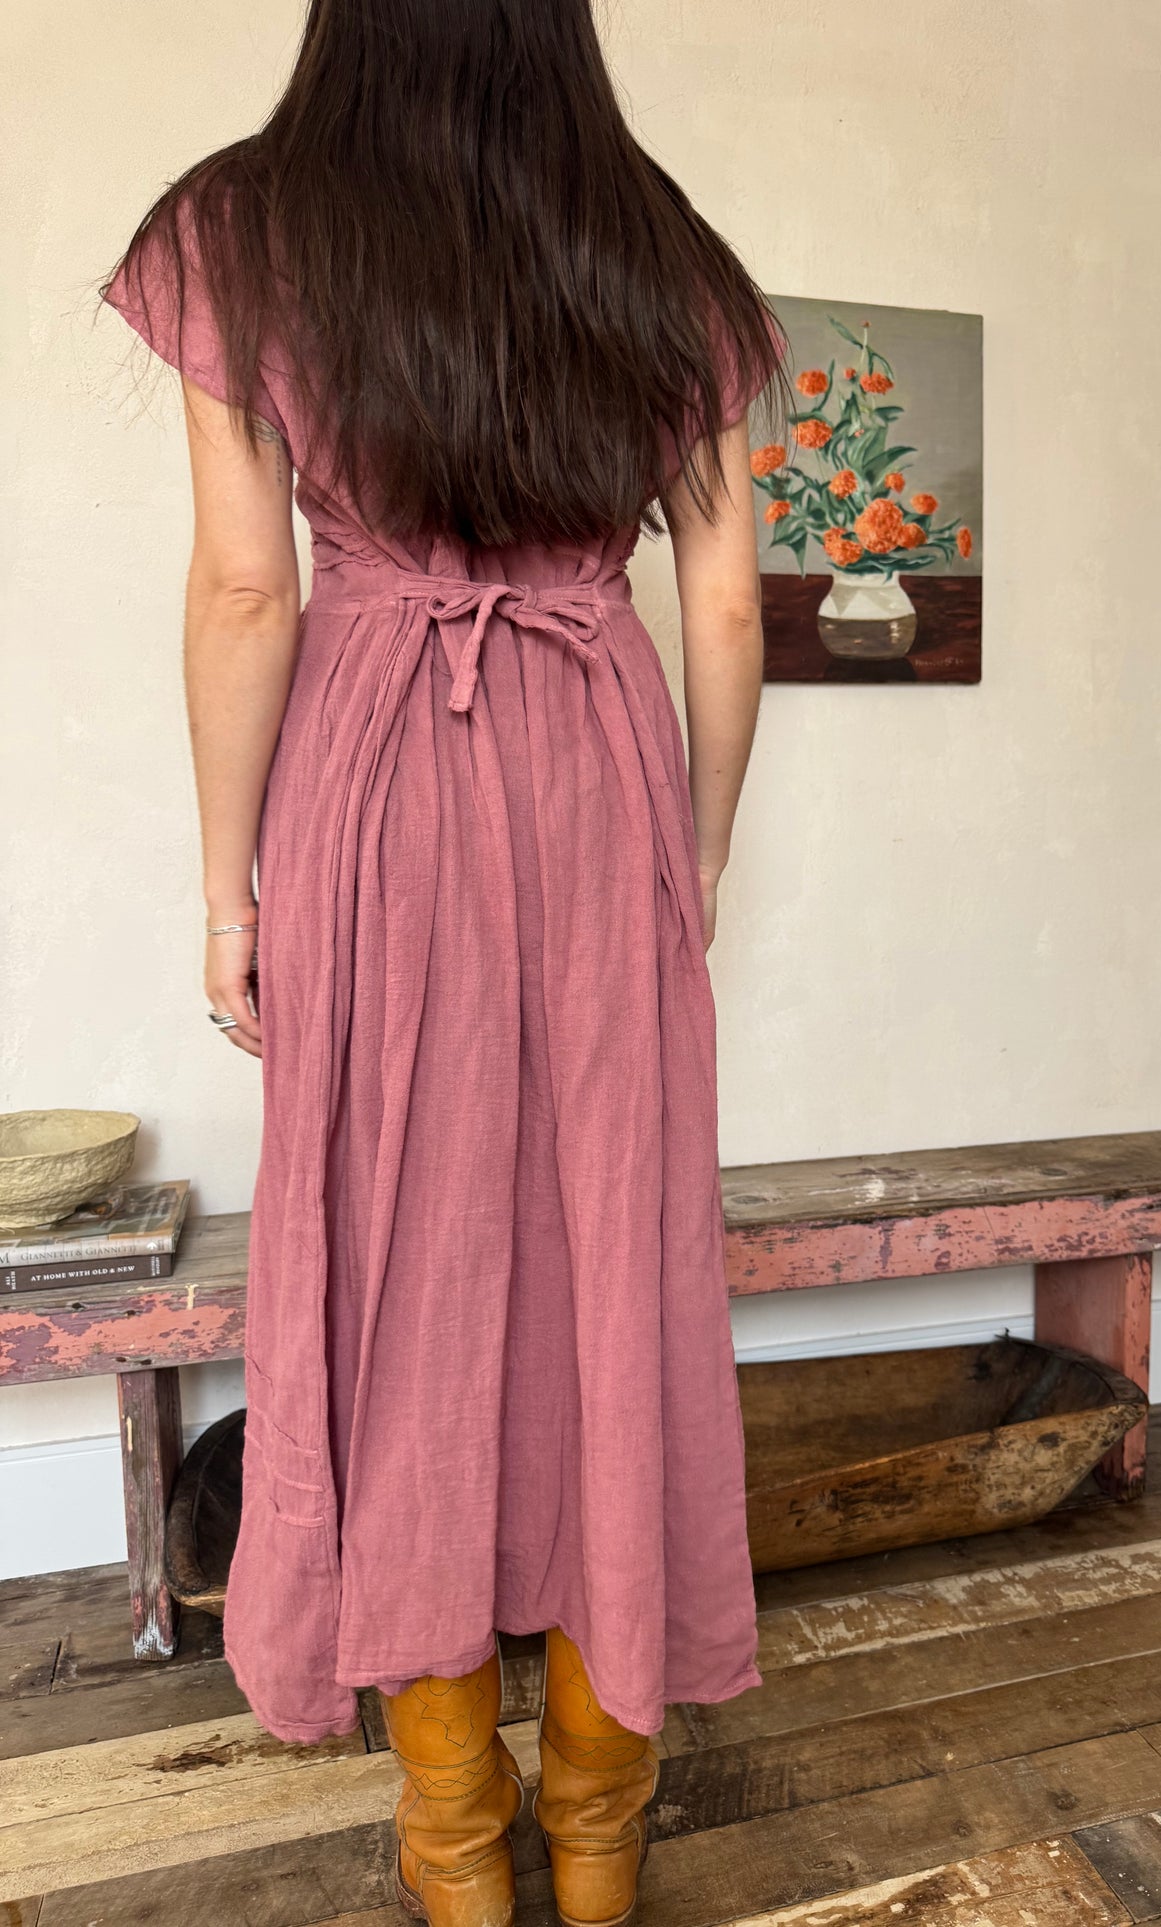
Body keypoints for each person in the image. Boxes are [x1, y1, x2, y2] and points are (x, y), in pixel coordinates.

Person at [100, 4, 787, 1922]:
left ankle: (453, 1850)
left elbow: (249, 585)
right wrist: (695, 846)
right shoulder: (661, 246)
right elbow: (725, 601)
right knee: (618, 1272)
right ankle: (600, 1842)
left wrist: (229, 894)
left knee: (393, 1283)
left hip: (375, 778)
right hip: (598, 768)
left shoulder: (245, 229)